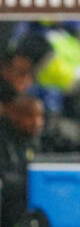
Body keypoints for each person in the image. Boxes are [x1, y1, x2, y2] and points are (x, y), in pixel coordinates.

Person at [0, 96, 45, 227]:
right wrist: (32, 183)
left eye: (40, 117)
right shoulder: (3, 140)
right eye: (30, 116)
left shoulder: (35, 141)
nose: (37, 123)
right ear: (14, 115)